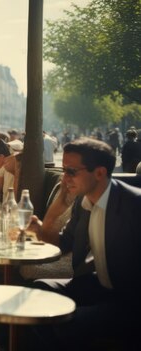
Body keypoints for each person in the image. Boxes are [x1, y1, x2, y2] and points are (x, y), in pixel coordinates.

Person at [27, 138, 141, 350]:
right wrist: (57, 207)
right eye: (63, 170)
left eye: (71, 171)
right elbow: (63, 244)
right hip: (97, 286)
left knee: (66, 319)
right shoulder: (83, 200)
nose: (65, 178)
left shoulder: (134, 206)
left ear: (99, 173)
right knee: (37, 292)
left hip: (128, 301)